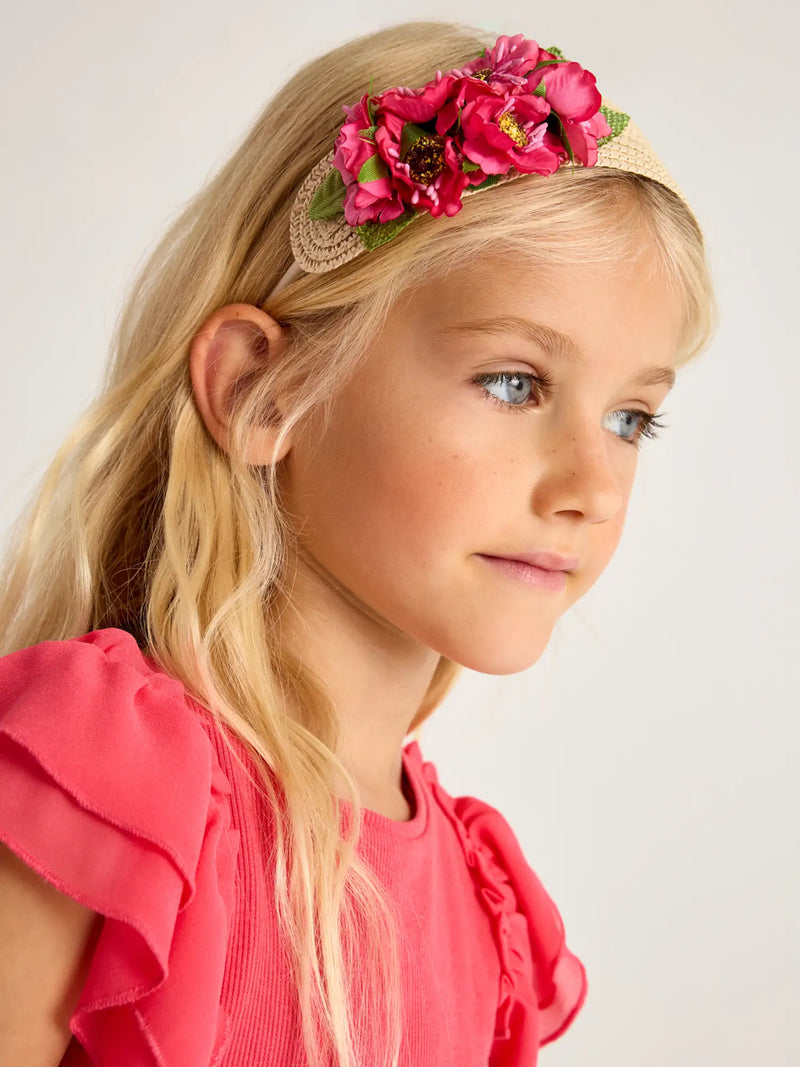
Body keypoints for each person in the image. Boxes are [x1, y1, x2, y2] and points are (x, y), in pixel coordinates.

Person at [0, 20, 716, 1067]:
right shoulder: (99, 788)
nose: (590, 487)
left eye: (629, 418)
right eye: (513, 382)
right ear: (263, 390)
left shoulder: (487, 915)